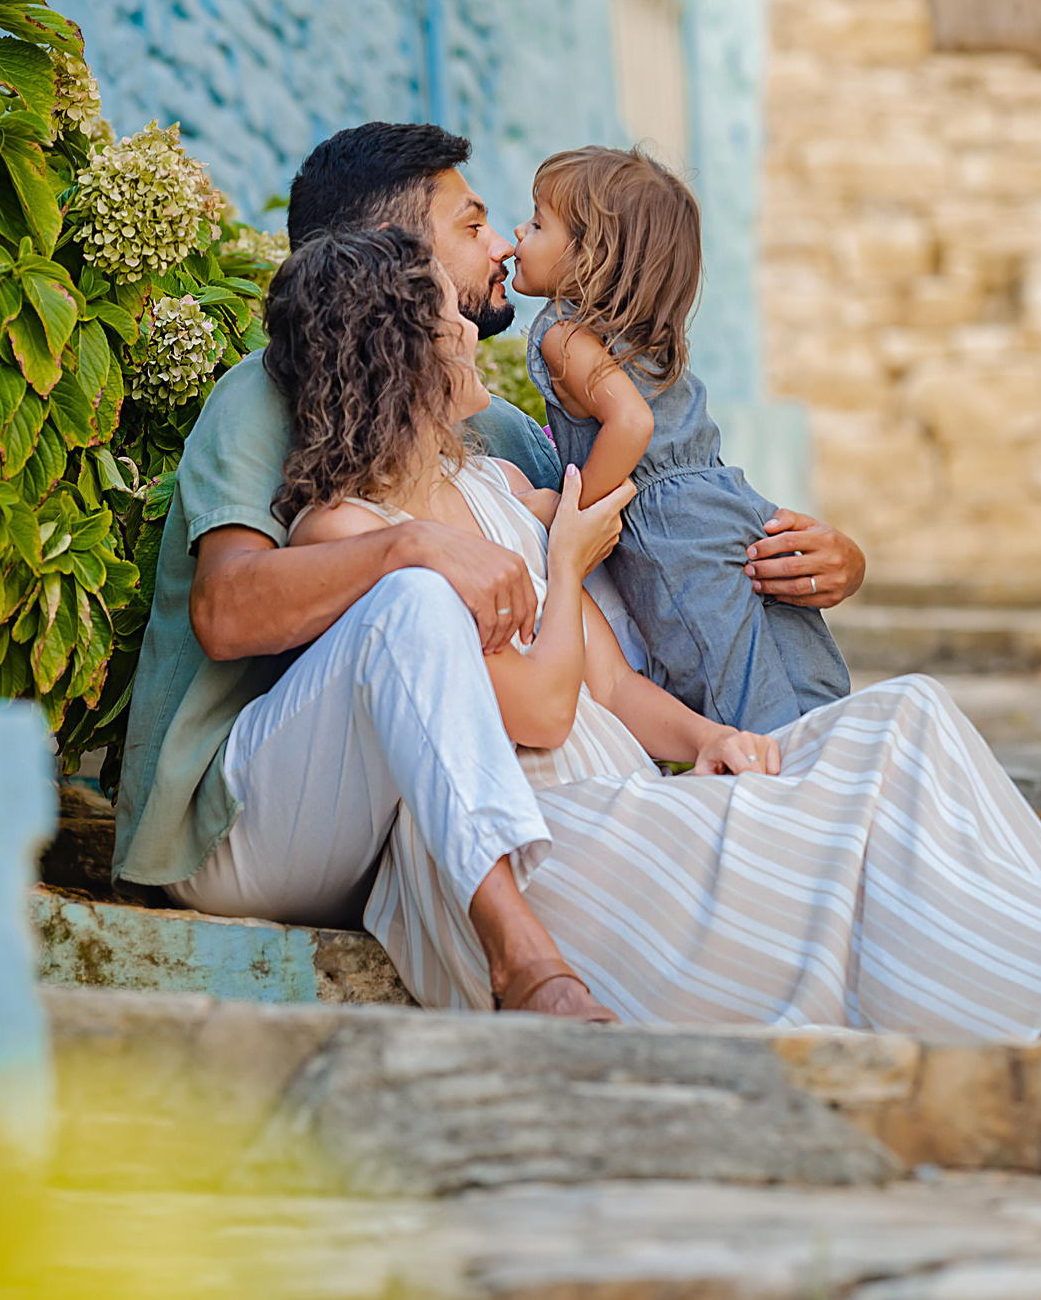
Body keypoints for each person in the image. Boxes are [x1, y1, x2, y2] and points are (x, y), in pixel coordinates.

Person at [269, 225, 1041, 1043]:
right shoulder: (351, 531)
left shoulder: (502, 484)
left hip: (631, 796)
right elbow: (542, 707)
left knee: (906, 714)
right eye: (445, 321)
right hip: (544, 849)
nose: (470, 327)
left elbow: (603, 683)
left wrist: (706, 738)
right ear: (399, 355)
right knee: (848, 827)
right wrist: (562, 565)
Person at [109, 123, 872, 1022]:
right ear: (390, 257)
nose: (506, 242)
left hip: (418, 815)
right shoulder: (263, 394)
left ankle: (776, 817)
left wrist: (812, 557)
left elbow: (633, 587)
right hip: (252, 809)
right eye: (471, 227)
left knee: (866, 733)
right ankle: (525, 957)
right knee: (417, 601)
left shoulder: (502, 442)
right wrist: (405, 546)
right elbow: (228, 610)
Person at [512, 145, 850, 734]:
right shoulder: (640, 338)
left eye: (538, 223)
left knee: (730, 682)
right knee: (806, 673)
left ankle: (771, 798)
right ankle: (839, 762)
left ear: (590, 257)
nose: (519, 231)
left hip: (671, 527)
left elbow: (632, 423)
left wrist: (576, 508)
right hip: (729, 499)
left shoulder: (561, 333)